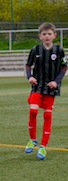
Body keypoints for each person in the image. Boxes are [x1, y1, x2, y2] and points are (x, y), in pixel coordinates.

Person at [24, 22, 67, 161]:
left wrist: (56, 81)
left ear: (54, 35)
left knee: (48, 115)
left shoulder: (59, 50)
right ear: (40, 36)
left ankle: (43, 146)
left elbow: (64, 67)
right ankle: (32, 140)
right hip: (37, 86)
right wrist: (30, 77)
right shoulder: (35, 50)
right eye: (44, 34)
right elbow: (28, 65)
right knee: (33, 111)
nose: (47, 36)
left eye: (49, 34)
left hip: (51, 88)